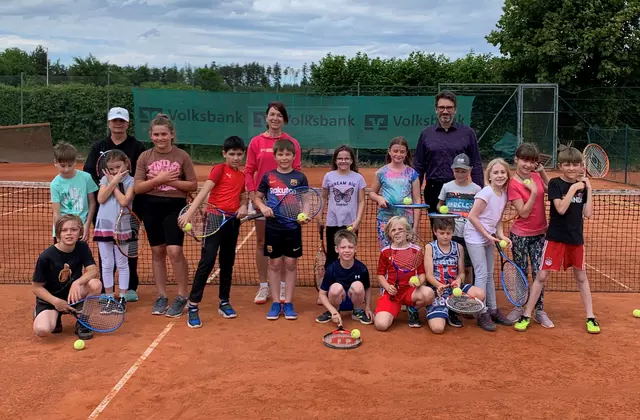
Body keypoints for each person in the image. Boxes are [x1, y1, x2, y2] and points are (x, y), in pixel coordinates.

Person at [514, 145, 600, 334]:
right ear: (561, 166)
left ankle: (591, 317)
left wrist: (589, 189)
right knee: (542, 276)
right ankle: (527, 314)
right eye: (567, 164)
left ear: (581, 167)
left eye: (575, 165)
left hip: (576, 239)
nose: (571, 168)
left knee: (581, 277)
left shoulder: (583, 187)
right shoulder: (555, 184)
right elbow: (560, 209)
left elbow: (588, 213)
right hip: (555, 238)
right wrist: (574, 188)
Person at [177, 136, 248, 329]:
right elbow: (203, 192)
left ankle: (224, 301)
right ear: (224, 154)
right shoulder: (219, 169)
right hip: (215, 219)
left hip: (232, 222)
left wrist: (243, 206)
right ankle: (193, 305)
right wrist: (190, 213)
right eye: (231, 154)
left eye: (239, 154)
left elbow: (243, 197)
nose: (235, 158)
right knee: (207, 262)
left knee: (227, 263)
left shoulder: (242, 176)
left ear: (243, 155)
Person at [134, 114, 197, 317]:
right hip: (150, 207)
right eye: (156, 134)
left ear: (172, 135)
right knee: (157, 252)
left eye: (164, 134)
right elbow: (138, 187)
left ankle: (181, 295)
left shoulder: (182, 156)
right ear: (151, 136)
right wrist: (159, 179)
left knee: (175, 251)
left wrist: (170, 182)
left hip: (174, 206)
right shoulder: (145, 157)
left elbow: (193, 184)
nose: (160, 138)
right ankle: (161, 296)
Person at [84, 107, 146, 302]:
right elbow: (90, 174)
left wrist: (119, 186)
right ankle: (107, 291)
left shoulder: (137, 147)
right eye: (114, 121)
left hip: (130, 211)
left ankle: (129, 289)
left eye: (121, 121)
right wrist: (109, 184)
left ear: (127, 123)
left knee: (128, 252)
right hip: (104, 214)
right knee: (107, 258)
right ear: (109, 123)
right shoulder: (98, 146)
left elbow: (142, 174)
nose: (118, 124)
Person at [244, 102, 302, 305]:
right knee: (261, 243)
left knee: (286, 244)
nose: (275, 118)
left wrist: (292, 201)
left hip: (287, 201)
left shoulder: (291, 143)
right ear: (266, 118)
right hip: (261, 199)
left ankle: (284, 286)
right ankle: (263, 286)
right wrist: (253, 197)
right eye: (272, 114)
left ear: (283, 119)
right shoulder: (256, 142)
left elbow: (297, 173)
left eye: (279, 115)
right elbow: (249, 170)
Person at [254, 139, 307, 321]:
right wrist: (262, 207)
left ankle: (289, 302)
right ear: (275, 156)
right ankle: (276, 302)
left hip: (293, 227)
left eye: (288, 154)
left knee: (291, 265)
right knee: (275, 265)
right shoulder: (268, 176)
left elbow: (306, 200)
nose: (284, 158)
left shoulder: (299, 177)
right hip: (273, 227)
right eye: (281, 154)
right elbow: (257, 198)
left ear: (293, 156)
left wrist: (305, 214)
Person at [414, 91, 484, 224]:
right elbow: (419, 165)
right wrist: (414, 191)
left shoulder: (468, 133)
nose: (445, 111)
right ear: (436, 110)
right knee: (439, 231)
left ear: (455, 110)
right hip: (433, 189)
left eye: (449, 108)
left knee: (463, 229)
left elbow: (476, 163)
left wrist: (480, 192)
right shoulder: (426, 134)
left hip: (461, 189)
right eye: (441, 107)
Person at [32, 214, 102, 340]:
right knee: (42, 330)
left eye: (73, 230)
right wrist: (56, 302)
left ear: (80, 232)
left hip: (73, 295)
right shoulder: (46, 257)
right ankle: (54, 316)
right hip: (51, 300)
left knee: (96, 284)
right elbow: (36, 287)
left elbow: (93, 271)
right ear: (58, 234)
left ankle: (83, 322)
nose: (69, 233)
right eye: (64, 230)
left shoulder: (82, 247)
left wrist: (77, 283)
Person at [315, 145, 366, 317]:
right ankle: (328, 291)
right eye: (340, 158)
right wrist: (320, 216)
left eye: (346, 158)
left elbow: (361, 201)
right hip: (332, 222)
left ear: (352, 160)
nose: (343, 161)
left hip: (350, 224)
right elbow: (322, 196)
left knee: (348, 254)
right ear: (335, 160)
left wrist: (358, 220)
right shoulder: (329, 176)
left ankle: (351, 289)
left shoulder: (358, 177)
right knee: (331, 256)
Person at [464, 158, 513, 332]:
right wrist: (487, 235)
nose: (499, 175)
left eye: (502, 172)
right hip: (474, 236)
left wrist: (500, 235)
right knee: (482, 273)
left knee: (490, 274)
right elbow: (472, 216)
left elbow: (498, 218)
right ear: (489, 176)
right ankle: (481, 311)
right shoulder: (486, 193)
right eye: (496, 172)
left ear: (507, 175)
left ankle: (492, 309)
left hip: (488, 237)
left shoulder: (504, 194)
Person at [505, 143, 552, 326]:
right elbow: (523, 213)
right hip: (521, 235)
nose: (528, 165)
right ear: (516, 159)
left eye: (532, 161)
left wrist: (541, 172)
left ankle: (539, 310)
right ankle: (519, 307)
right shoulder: (513, 184)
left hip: (541, 234)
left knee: (539, 274)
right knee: (521, 272)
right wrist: (533, 192)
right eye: (525, 160)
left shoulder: (536, 176)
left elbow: (550, 189)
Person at [423, 217, 485, 333]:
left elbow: (461, 273)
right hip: (438, 290)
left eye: (448, 233)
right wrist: (439, 285)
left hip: (454, 289)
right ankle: (442, 309)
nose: (445, 236)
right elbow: (429, 275)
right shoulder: (430, 247)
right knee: (438, 328)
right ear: (435, 231)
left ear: (452, 232)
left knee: (480, 294)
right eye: (441, 233)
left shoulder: (459, 247)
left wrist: (458, 281)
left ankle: (453, 310)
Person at [374, 216, 435, 331]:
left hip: (410, 291)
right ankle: (393, 309)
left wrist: (419, 283)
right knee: (381, 325)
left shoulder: (416, 250)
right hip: (392, 293)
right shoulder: (385, 252)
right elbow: (380, 274)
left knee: (429, 293)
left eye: (400, 229)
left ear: (407, 232)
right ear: (389, 234)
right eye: (393, 230)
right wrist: (387, 286)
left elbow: (422, 274)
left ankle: (412, 308)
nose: (397, 232)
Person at [94, 150, 135, 312]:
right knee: (107, 264)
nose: (114, 171)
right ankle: (110, 298)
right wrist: (112, 181)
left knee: (123, 263)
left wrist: (117, 182)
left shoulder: (132, 181)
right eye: (111, 169)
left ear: (126, 163)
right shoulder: (105, 179)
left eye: (118, 167)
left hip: (122, 227)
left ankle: (122, 297)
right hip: (103, 226)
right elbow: (101, 198)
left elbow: (125, 201)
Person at [369, 136, 421, 250]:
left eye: (402, 151)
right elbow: (372, 193)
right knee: (387, 252)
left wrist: (415, 227)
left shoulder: (412, 174)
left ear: (406, 153)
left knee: (404, 251)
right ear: (389, 151)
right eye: (395, 151)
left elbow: (417, 201)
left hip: (406, 221)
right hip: (385, 220)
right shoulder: (381, 172)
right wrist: (379, 199)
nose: (398, 154)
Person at [436, 153, 482, 284]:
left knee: (468, 267)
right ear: (452, 170)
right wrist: (443, 210)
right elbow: (439, 205)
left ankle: (468, 293)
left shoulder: (476, 189)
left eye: (463, 171)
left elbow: (479, 211)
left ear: (470, 170)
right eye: (457, 171)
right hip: (452, 233)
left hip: (469, 234)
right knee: (453, 265)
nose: (460, 174)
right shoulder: (447, 186)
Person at [316, 230, 374, 325]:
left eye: (350, 247)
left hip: (355, 299)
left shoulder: (362, 268)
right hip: (337, 300)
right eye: (343, 247)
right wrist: (332, 310)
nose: (347, 250)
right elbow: (322, 294)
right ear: (336, 249)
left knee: (358, 285)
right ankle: (335, 312)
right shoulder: (331, 269)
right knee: (335, 288)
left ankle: (357, 311)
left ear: (355, 249)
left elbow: (367, 289)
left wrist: (367, 308)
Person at [50, 142, 98, 243]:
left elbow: (92, 203)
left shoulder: (86, 178)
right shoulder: (55, 184)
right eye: (62, 166)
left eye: (70, 165)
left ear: (75, 162)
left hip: (79, 230)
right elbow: (56, 212)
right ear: (55, 162)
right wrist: (59, 234)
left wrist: (87, 226)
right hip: (63, 231)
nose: (66, 169)